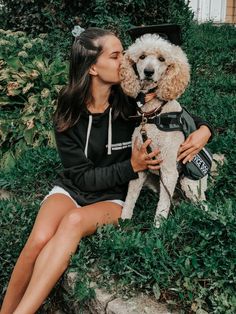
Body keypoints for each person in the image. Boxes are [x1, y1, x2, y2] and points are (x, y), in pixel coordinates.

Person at [0, 27, 212, 314]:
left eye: (124, 53)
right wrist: (132, 165)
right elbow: (81, 177)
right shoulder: (68, 107)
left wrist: (204, 130)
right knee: (38, 239)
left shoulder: (131, 98)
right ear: (92, 68)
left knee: (73, 221)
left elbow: (177, 113)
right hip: (74, 187)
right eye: (115, 55)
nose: (125, 60)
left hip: (112, 196)